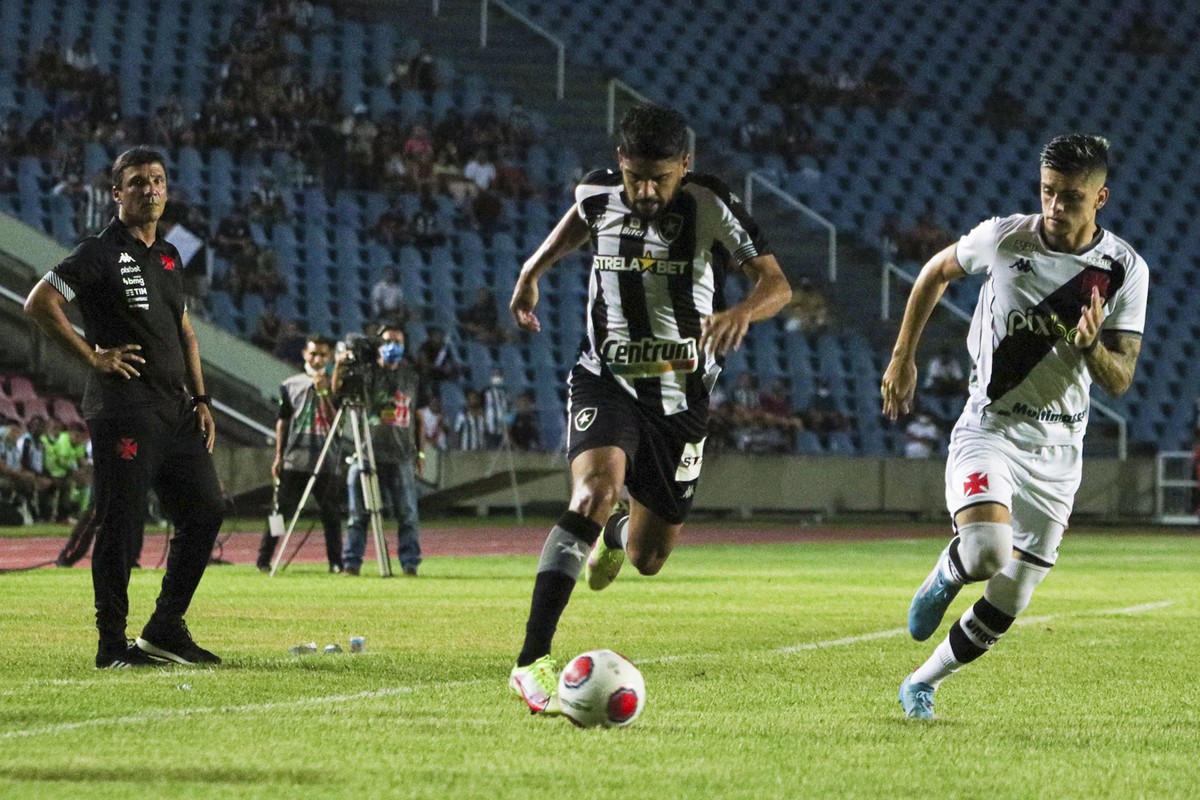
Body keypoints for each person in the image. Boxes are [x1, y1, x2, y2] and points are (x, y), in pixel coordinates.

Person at [505, 103, 791, 713]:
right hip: (605, 379)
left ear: (684, 167)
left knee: (648, 557)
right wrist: (532, 270)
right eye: (636, 176)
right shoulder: (597, 195)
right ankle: (531, 661)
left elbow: (776, 282)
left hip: (681, 398)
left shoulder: (709, 205)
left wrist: (742, 311)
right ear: (621, 164)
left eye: (659, 178)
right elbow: (577, 223)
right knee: (592, 492)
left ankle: (615, 527)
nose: (646, 190)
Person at [881, 134, 1148, 719]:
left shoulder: (1125, 269)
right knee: (984, 553)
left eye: (1072, 197)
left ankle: (921, 684)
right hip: (991, 430)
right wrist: (903, 356)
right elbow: (933, 272)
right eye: (1048, 191)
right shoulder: (1004, 238)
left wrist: (1090, 348)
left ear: (1100, 197)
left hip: (1059, 452)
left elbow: (1121, 378)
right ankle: (946, 573)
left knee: (1011, 597)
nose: (1055, 206)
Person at [25, 146, 226, 668]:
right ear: (116, 194)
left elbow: (185, 332)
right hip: (124, 408)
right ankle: (111, 646)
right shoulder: (97, 251)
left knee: (206, 508)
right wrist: (93, 356)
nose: (150, 190)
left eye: (157, 181)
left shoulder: (169, 257)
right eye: (137, 182)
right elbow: (39, 302)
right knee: (122, 525)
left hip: (175, 408)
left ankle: (163, 629)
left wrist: (201, 398)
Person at [333, 324, 424, 577]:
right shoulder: (366, 374)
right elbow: (337, 392)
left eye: (398, 341)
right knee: (358, 514)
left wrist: (421, 453)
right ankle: (351, 563)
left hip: (402, 454)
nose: (393, 346)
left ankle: (409, 564)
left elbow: (418, 418)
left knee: (407, 514)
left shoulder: (412, 377)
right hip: (367, 453)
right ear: (378, 346)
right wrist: (341, 366)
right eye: (387, 341)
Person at [256, 334, 345, 573]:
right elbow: (283, 422)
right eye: (313, 353)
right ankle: (264, 558)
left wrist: (325, 393)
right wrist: (279, 455)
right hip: (296, 458)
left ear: (329, 357)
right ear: (305, 354)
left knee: (331, 515)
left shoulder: (336, 385)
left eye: (323, 355)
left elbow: (337, 421)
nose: (317, 359)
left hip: (326, 459)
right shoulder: (290, 385)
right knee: (279, 511)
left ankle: (336, 562)